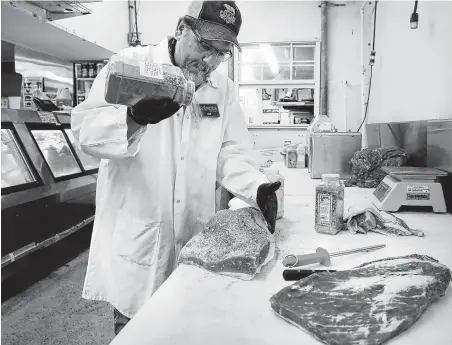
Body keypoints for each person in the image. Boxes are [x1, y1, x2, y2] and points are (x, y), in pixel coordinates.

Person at [71, 0, 280, 335]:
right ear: (182, 29)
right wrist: (132, 118)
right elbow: (85, 131)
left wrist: (256, 186)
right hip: (139, 237)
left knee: (188, 328)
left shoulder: (222, 89)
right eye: (205, 46)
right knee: (138, 330)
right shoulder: (130, 64)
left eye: (222, 52)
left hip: (193, 236)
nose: (210, 60)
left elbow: (231, 151)